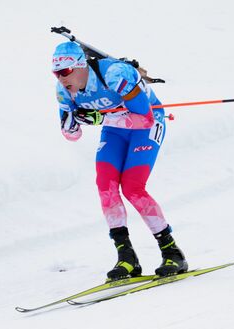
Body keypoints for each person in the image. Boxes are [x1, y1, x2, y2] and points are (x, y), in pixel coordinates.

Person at [52, 41, 188, 281]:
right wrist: (75, 119)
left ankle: (173, 253)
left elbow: (144, 119)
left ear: (81, 66)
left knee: (133, 187)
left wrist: (98, 119)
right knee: (106, 186)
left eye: (65, 71)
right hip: (115, 130)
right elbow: (71, 135)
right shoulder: (64, 90)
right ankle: (126, 257)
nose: (61, 78)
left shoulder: (115, 74)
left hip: (147, 124)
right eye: (56, 73)